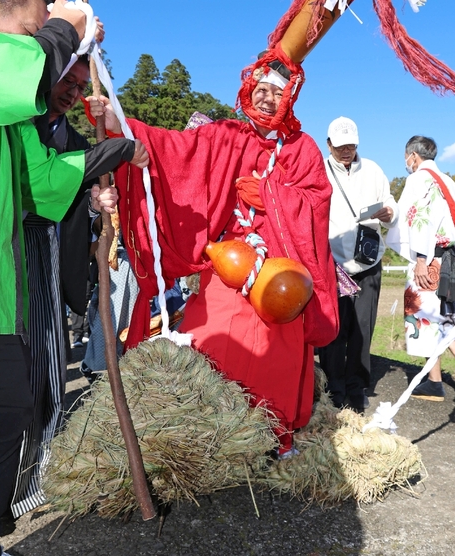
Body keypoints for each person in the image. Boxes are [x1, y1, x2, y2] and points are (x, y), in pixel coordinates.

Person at [0, 0, 148, 556]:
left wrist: (116, 152)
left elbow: (43, 187)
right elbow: (17, 73)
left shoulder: (7, 106)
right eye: (28, 31)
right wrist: (64, 27)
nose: (36, 50)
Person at [88, 48, 339, 456]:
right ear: (247, 89)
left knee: (277, 357)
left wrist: (273, 196)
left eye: (276, 93)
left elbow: (317, 204)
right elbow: (173, 151)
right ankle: (216, 437)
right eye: (259, 89)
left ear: (290, 98)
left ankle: (271, 436)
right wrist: (118, 122)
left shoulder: (303, 149)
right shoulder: (224, 136)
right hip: (228, 268)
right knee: (215, 346)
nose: (266, 98)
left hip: (281, 278)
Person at [386, 136, 455, 401]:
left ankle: (434, 382)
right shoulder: (450, 183)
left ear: (413, 156)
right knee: (444, 316)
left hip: (428, 257)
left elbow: (419, 218)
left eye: (407, 157)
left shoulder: (418, 179)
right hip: (449, 257)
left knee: (424, 316)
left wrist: (420, 259)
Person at [318, 117, 398, 412]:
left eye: (351, 144)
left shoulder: (374, 169)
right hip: (332, 262)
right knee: (334, 329)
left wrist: (391, 212)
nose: (346, 150)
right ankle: (333, 387)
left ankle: (356, 387)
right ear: (329, 145)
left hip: (368, 260)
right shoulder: (319, 170)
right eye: (340, 146)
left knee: (363, 328)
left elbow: (390, 201)